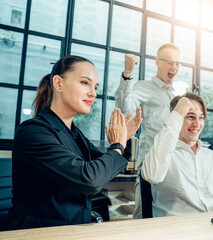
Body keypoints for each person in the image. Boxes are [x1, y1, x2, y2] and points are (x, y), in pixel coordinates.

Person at [1, 55, 142, 230]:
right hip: (38, 233)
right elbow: (91, 179)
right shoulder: (33, 132)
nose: (93, 93)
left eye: (95, 87)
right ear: (58, 83)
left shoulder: (75, 134)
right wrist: (117, 145)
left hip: (73, 230)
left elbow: (109, 168)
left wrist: (123, 139)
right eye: (85, 83)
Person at [141, 92, 213, 217]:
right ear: (177, 118)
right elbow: (152, 176)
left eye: (201, 118)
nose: (197, 124)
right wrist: (177, 113)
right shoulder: (163, 154)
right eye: (190, 117)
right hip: (177, 231)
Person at [114, 43, 181, 218]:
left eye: (177, 64)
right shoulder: (145, 87)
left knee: (168, 216)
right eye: (169, 62)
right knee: (145, 216)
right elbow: (124, 108)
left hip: (174, 163)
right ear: (157, 62)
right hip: (151, 164)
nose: (174, 67)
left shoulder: (175, 94)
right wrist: (127, 75)